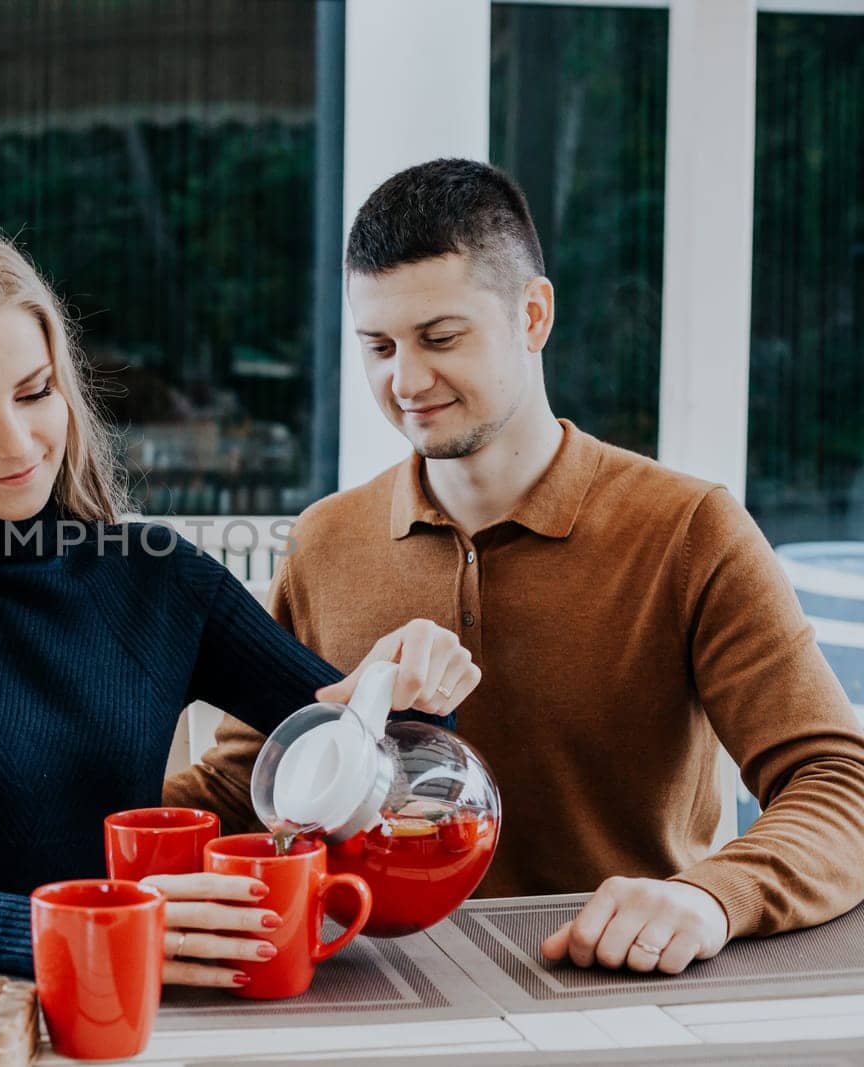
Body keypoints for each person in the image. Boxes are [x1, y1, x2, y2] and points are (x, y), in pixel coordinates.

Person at [165, 158, 864, 976]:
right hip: (369, 987)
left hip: (624, 986)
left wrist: (713, 896)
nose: (406, 379)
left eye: (441, 337)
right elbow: (244, 789)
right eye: (378, 345)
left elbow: (839, 782)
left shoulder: (690, 530)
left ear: (533, 315)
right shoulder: (325, 540)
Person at [0, 222, 478, 980]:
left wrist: (410, 687)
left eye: (36, 392)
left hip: (131, 1011)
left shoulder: (157, 578)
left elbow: (371, 746)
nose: (19, 442)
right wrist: (89, 932)